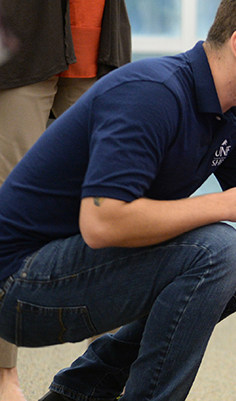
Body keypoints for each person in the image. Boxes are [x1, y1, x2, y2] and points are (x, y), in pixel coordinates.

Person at [0, 0, 236, 400]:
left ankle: (81, 392)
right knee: (219, 252)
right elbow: (102, 222)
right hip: (15, 286)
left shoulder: (234, 115)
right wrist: (227, 204)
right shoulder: (152, 94)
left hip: (66, 272)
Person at [0, 1, 131, 399]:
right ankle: (4, 372)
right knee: (7, 210)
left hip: (96, 41)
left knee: (105, 205)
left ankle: (110, 364)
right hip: (24, 39)